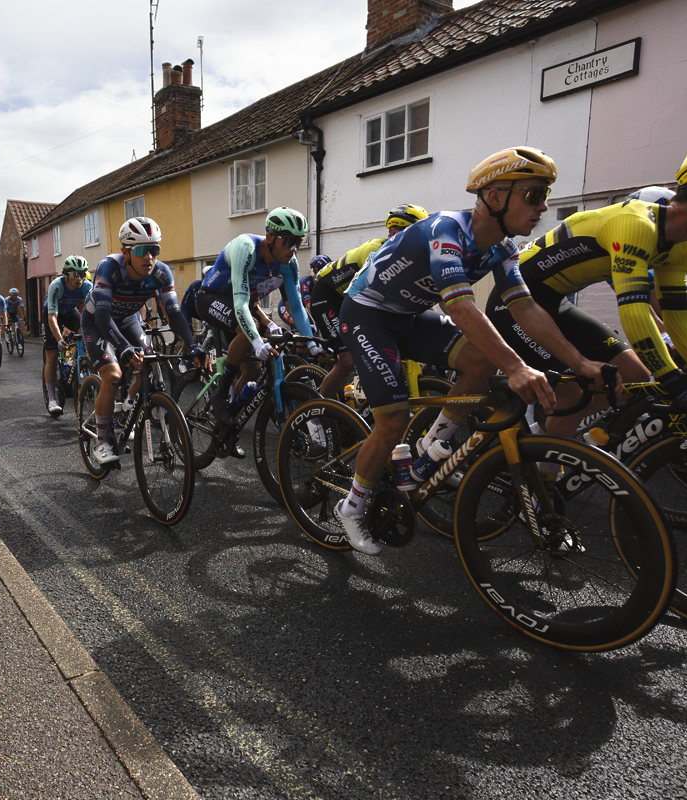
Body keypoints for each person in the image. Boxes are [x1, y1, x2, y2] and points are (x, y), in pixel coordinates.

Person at [334, 148, 561, 555]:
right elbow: (458, 306)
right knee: (393, 420)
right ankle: (351, 506)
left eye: (544, 195)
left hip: (406, 316)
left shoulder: (502, 249)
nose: (542, 206)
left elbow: (525, 308)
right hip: (367, 313)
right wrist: (517, 367)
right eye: (532, 195)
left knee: (480, 362)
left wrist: (579, 362)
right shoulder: (446, 230)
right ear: (495, 198)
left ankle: (428, 454)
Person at [485, 140, 687, 442]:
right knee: (573, 391)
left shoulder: (679, 249)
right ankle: (539, 471)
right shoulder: (636, 224)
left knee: (636, 376)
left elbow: (679, 319)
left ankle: (548, 438)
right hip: (514, 304)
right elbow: (634, 311)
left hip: (553, 303)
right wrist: (673, 380)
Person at [80, 217, 206, 465]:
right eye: (141, 250)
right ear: (126, 252)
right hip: (97, 322)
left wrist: (191, 345)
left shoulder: (161, 273)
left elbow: (174, 314)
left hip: (128, 319)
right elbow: (104, 318)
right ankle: (102, 441)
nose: (149, 256)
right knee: (113, 376)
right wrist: (124, 347)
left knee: (149, 363)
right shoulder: (109, 268)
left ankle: (127, 408)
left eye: (154, 249)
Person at [195, 207, 323, 431]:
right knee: (250, 329)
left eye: (298, 242)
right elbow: (241, 303)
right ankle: (220, 394)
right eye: (288, 241)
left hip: (241, 307)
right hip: (212, 298)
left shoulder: (288, 263)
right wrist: (255, 340)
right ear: (270, 237)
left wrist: (312, 343)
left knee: (253, 369)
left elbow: (296, 307)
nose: (293, 249)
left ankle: (230, 417)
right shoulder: (246, 248)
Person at [310, 204, 429, 400]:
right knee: (346, 361)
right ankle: (315, 414)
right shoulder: (376, 251)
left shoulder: (407, 256)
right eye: (414, 233)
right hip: (327, 295)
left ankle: (356, 398)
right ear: (393, 232)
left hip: (352, 298)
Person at [43, 257, 93, 416]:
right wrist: (59, 339)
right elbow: (52, 317)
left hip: (70, 312)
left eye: (83, 274)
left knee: (86, 331)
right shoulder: (56, 286)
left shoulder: (87, 286)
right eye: (75, 274)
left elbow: (96, 310)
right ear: (66, 274)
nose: (79, 278)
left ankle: (76, 360)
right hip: (53, 313)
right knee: (51, 355)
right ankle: (52, 399)